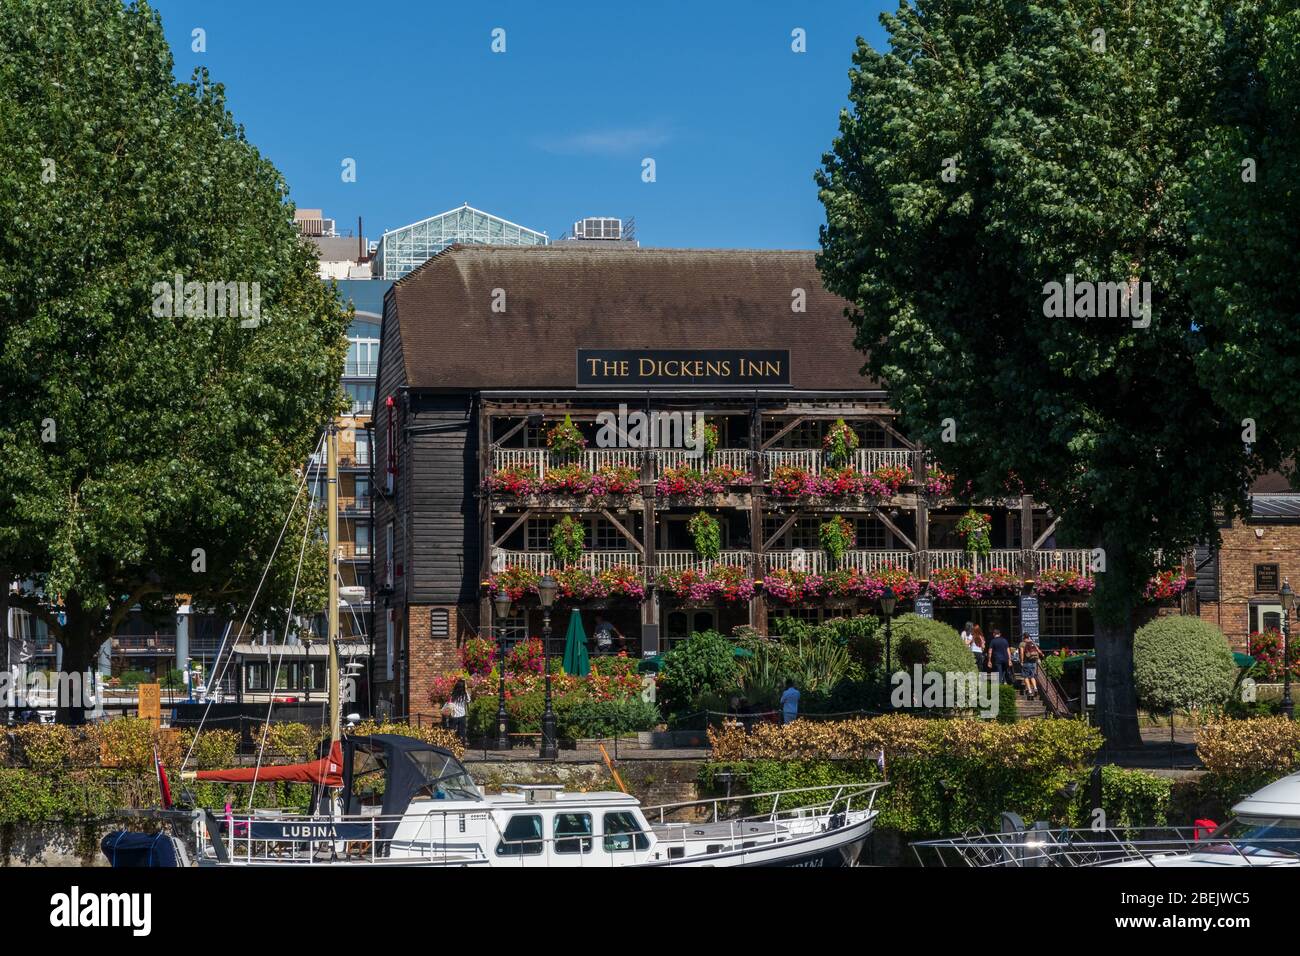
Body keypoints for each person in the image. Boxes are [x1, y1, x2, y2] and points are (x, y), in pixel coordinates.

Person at [1019, 632, 1042, 699]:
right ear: (1029, 637)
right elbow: (1038, 651)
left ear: (1023, 637)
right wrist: (1041, 655)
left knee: (1026, 677)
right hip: (1033, 662)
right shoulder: (1033, 642)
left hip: (1026, 662)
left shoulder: (1022, 643)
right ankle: (1035, 688)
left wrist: (1022, 661)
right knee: (1032, 676)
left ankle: (1029, 691)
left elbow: (1021, 653)